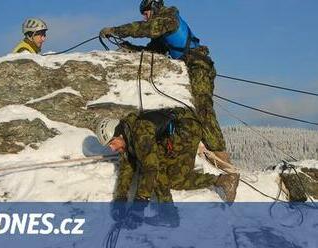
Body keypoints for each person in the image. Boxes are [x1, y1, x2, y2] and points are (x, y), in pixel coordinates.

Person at [99, 0, 230, 165]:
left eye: (146, 14)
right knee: (185, 109)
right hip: (188, 67)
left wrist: (116, 31)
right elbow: (153, 50)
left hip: (199, 64)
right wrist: (130, 47)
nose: (145, 18)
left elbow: (146, 28)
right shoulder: (161, 30)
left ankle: (220, 154)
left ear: (154, 8)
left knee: (202, 106)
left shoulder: (169, 18)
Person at [96, 107, 239, 229]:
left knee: (162, 173)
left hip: (186, 128)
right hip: (179, 130)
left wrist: (138, 208)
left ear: (118, 134)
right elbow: (127, 168)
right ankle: (224, 180)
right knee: (176, 180)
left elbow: (151, 168)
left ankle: (168, 215)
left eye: (112, 143)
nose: (112, 149)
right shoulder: (127, 139)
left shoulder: (140, 132)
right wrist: (120, 199)